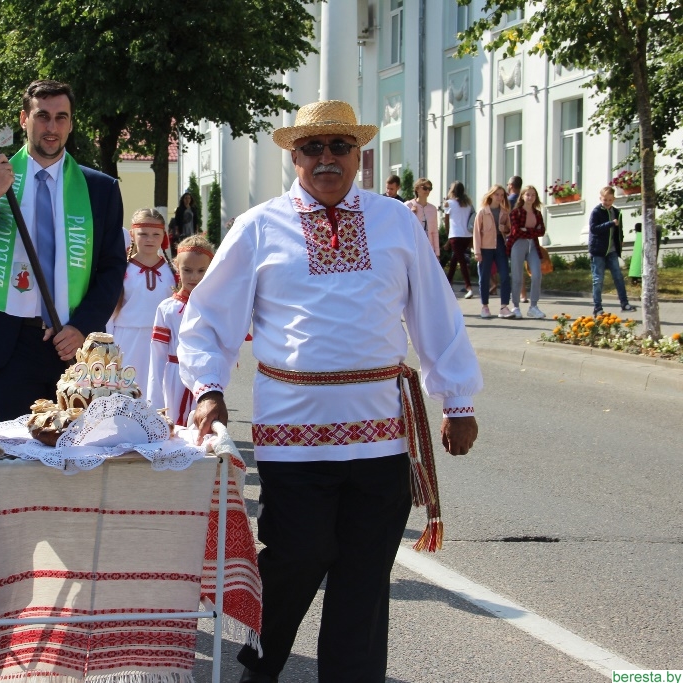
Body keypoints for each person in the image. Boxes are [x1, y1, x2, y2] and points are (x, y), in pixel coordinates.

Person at [178, 100, 482, 683]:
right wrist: (209, 389)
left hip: (382, 438)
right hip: (294, 437)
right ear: (293, 156)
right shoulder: (259, 226)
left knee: (364, 577)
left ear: (359, 156)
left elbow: (436, 312)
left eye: (340, 146)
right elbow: (208, 318)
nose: (326, 158)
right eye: (313, 147)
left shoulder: (395, 222)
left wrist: (458, 400)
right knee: (297, 557)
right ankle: (260, 670)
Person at [0, 79, 127, 419]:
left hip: (70, 344)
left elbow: (112, 268)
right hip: (8, 345)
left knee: (73, 448)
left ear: (70, 124)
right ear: (24, 119)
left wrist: (81, 326)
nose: (51, 127)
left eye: (60, 117)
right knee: (10, 449)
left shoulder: (100, 189)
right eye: (42, 116)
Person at [147, 233, 215, 427]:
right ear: (177, 266)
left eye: (201, 270)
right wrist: (154, 400)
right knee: (175, 429)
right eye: (187, 270)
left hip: (206, 377)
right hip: (174, 378)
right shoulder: (167, 308)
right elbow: (157, 355)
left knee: (205, 427)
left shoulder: (215, 308)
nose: (194, 277)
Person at [108, 208, 175, 397]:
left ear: (164, 236)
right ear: (132, 235)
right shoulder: (121, 270)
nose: (149, 239)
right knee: (127, 393)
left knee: (158, 394)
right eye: (143, 234)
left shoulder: (173, 273)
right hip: (126, 340)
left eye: (156, 234)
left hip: (162, 341)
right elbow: (110, 313)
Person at [589, 186, 638, 316]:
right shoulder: (596, 212)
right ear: (601, 198)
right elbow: (594, 229)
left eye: (610, 200)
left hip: (612, 250)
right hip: (598, 251)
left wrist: (620, 240)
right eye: (605, 199)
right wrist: (610, 223)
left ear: (614, 199)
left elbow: (619, 230)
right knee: (598, 280)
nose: (607, 202)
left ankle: (624, 304)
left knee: (618, 277)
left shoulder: (616, 212)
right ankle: (598, 308)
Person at [472, 184, 513, 319]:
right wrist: (477, 251)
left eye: (502, 195)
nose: (499, 197)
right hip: (485, 248)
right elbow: (476, 233)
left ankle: (504, 307)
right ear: (491, 195)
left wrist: (504, 228)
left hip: (500, 245)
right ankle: (485, 306)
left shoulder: (504, 212)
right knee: (484, 277)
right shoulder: (482, 212)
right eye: (497, 194)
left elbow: (509, 230)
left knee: (505, 275)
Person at [507, 185, 546, 319]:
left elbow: (542, 231)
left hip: (533, 245)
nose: (530, 197)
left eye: (533, 195)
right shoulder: (516, 212)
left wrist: (527, 230)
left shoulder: (537, 213)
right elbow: (516, 231)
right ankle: (516, 306)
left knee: (537, 275)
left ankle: (533, 307)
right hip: (518, 244)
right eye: (528, 194)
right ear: (522, 196)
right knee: (517, 277)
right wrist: (532, 230)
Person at [443, 181, 474, 297]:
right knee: (455, 260)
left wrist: (447, 235)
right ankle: (447, 284)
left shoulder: (449, 203)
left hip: (455, 236)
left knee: (461, 262)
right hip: (467, 235)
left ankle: (468, 287)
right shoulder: (468, 204)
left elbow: (446, 221)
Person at [405, 177, 440, 257]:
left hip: (428, 248)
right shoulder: (408, 205)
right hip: (412, 247)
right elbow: (403, 227)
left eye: (429, 189)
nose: (427, 191)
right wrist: (412, 213)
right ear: (417, 189)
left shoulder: (433, 209)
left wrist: (437, 253)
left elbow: (434, 232)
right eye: (424, 188)